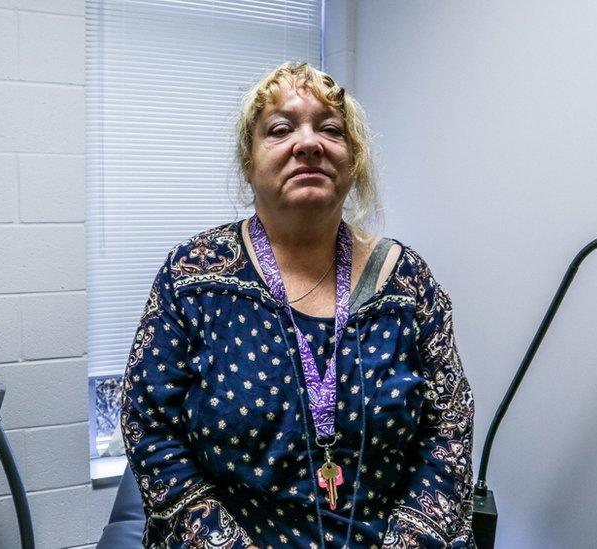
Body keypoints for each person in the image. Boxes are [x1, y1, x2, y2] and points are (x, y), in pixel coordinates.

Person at [121, 61, 475, 548]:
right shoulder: (192, 277)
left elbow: (450, 429)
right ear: (249, 162)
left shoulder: (408, 282)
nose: (308, 143)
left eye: (330, 129)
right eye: (281, 129)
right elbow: (148, 422)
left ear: (354, 161)